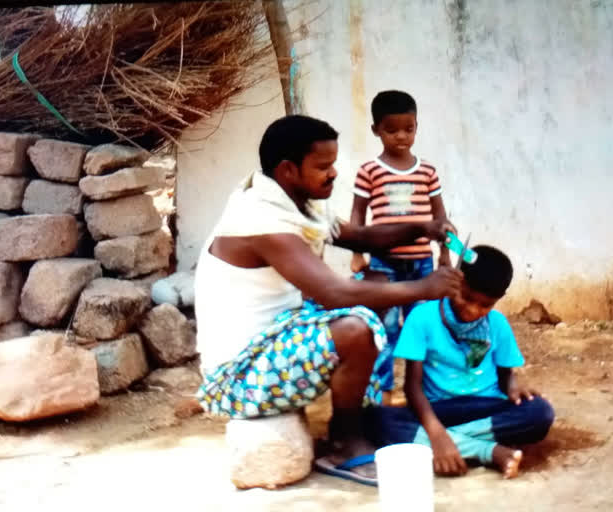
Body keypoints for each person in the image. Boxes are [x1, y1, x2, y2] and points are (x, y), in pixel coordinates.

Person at [193, 114, 462, 486]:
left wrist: (422, 227)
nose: (334, 173)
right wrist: (424, 288)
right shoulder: (261, 218)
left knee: (375, 284)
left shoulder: (293, 202)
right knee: (356, 328)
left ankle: (357, 415)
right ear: (288, 169)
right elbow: (333, 293)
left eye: (333, 163)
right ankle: (344, 441)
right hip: (239, 374)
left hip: (277, 336)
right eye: (323, 166)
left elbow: (361, 238)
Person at [365, 246, 554, 479]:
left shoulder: (498, 324)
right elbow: (412, 388)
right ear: (456, 282)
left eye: (485, 305)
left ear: (498, 300)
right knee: (377, 420)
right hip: (438, 409)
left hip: (485, 407)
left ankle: (445, 444)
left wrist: (513, 387)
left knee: (540, 413)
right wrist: (437, 433)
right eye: (467, 297)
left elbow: (506, 376)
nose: (473, 310)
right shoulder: (422, 317)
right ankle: (486, 450)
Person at [349, 90, 453, 405]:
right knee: (385, 331)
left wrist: (444, 254)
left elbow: (439, 215)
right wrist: (356, 251)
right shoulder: (370, 171)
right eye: (391, 130)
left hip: (421, 264)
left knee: (423, 327)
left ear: (416, 127)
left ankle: (423, 389)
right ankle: (384, 393)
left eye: (409, 128)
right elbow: (357, 213)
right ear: (376, 130)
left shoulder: (427, 171)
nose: (401, 136)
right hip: (384, 266)